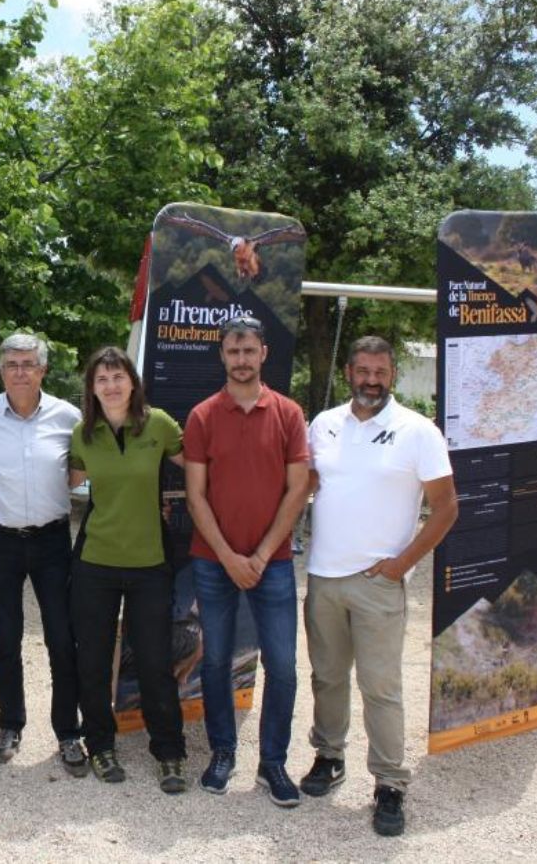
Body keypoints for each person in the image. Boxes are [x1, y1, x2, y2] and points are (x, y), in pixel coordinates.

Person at [300, 336, 457, 837]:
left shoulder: (418, 431)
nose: (371, 379)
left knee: (381, 688)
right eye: (363, 370)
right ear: (348, 371)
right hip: (323, 577)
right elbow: (303, 487)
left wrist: (403, 563)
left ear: (392, 373)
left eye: (381, 371)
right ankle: (329, 757)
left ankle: (390, 783)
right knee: (326, 677)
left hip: (378, 584)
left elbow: (446, 506)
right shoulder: (322, 424)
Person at [183, 315, 309, 807]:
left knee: (283, 665)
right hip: (213, 563)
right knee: (214, 662)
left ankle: (273, 763)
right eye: (233, 352)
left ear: (263, 354)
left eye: (249, 351)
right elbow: (195, 496)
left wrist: (257, 556)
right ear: (222, 356)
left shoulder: (289, 414)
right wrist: (229, 557)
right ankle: (222, 753)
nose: (241, 360)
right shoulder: (202, 416)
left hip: (272, 563)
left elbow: (298, 489)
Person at [0, 333, 86, 775]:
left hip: (52, 540)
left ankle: (68, 732)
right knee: (7, 637)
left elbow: (83, 467)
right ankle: (10, 724)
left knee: (60, 638)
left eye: (28, 364)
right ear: (0, 370)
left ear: (43, 371)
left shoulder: (68, 416)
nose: (19, 371)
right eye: (12, 363)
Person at [68, 347, 187, 789]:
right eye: (102, 379)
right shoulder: (83, 434)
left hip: (149, 563)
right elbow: (64, 481)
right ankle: (100, 745)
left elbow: (197, 470)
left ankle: (170, 752)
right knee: (94, 661)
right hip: (95, 562)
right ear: (92, 388)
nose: (111, 385)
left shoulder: (159, 425)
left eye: (118, 377)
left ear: (133, 382)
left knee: (155, 661)